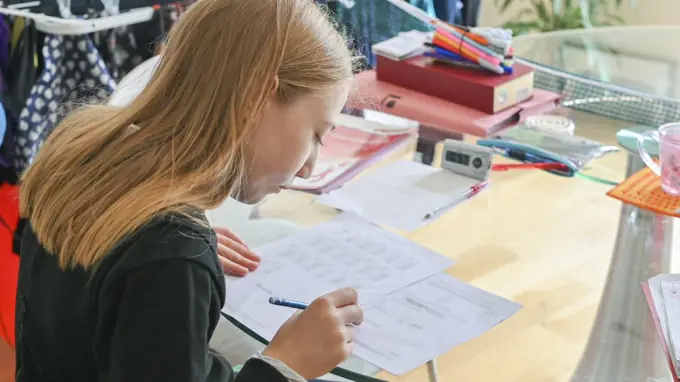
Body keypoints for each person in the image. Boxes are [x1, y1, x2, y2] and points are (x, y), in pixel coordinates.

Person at [14, 0, 363, 381]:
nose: (310, 165)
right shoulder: (171, 255)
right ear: (255, 100)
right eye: (315, 135)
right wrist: (284, 365)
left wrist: (167, 255)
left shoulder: (83, 144)